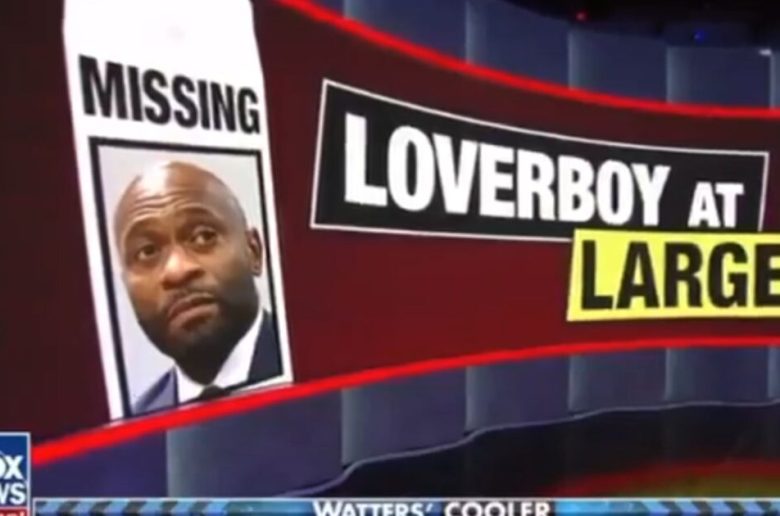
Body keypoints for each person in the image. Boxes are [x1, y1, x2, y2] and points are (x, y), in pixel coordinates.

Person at [112, 160, 282, 415]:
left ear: (254, 251)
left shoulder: (321, 364)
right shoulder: (136, 426)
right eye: (147, 251)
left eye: (203, 236)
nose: (177, 270)